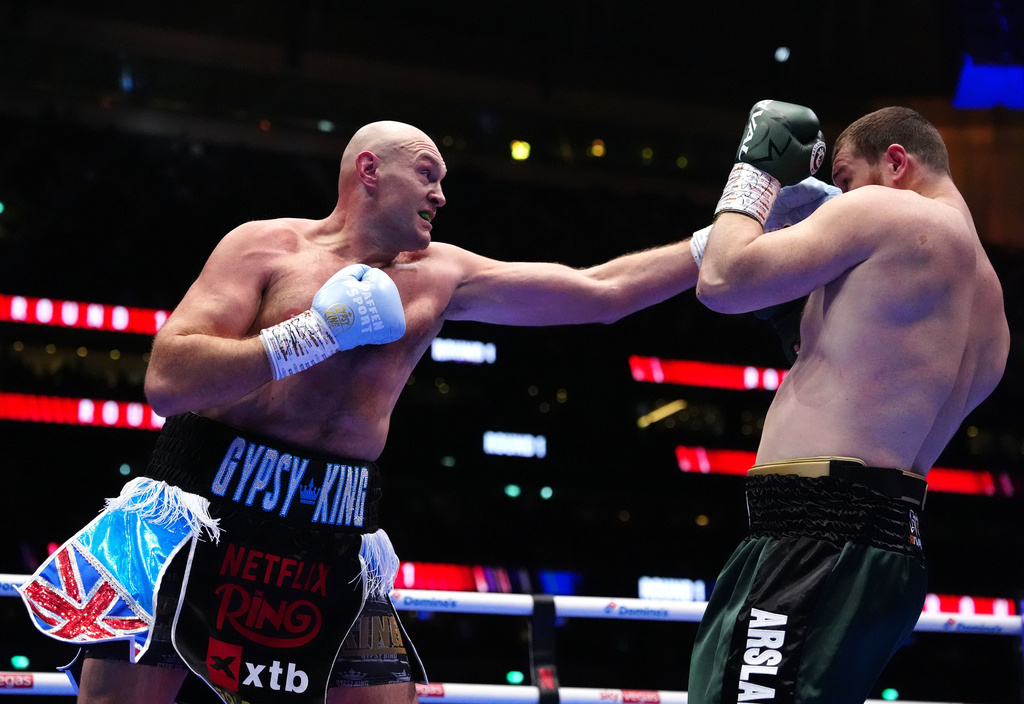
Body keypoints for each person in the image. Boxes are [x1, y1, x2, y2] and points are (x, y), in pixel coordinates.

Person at [18, 120, 700, 704]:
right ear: (369, 171)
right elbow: (168, 381)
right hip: (196, 515)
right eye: (428, 174)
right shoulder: (264, 247)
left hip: (336, 536)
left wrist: (731, 227)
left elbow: (602, 292)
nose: (442, 194)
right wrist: (310, 334)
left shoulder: (444, 273)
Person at [687, 101, 1009, 704]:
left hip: (811, 542)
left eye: (843, 181)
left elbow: (722, 279)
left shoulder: (889, 210)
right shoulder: (990, 304)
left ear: (895, 163)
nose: (840, 200)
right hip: (889, 551)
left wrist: (755, 171)